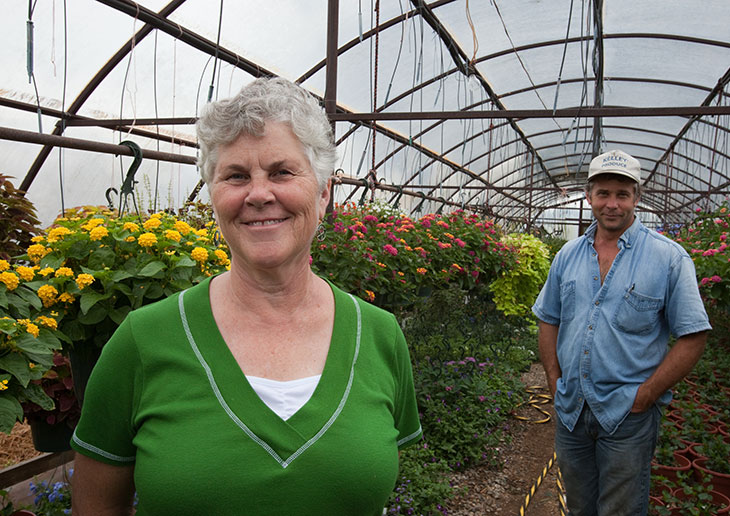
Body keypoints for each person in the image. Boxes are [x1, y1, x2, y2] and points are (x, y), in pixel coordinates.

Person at [70, 77, 422, 516]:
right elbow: (96, 505)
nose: (258, 194)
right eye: (236, 176)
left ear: (324, 191)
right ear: (214, 197)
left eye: (281, 172)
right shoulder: (144, 340)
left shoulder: (379, 335)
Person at [532, 149, 711, 516]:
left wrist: (646, 394)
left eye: (622, 195)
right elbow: (548, 317)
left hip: (628, 416)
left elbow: (693, 335)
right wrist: (554, 379)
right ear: (589, 196)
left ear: (637, 198)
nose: (612, 204)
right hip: (572, 411)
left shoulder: (668, 258)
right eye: (603, 194)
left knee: (621, 509)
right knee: (580, 506)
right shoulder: (567, 256)